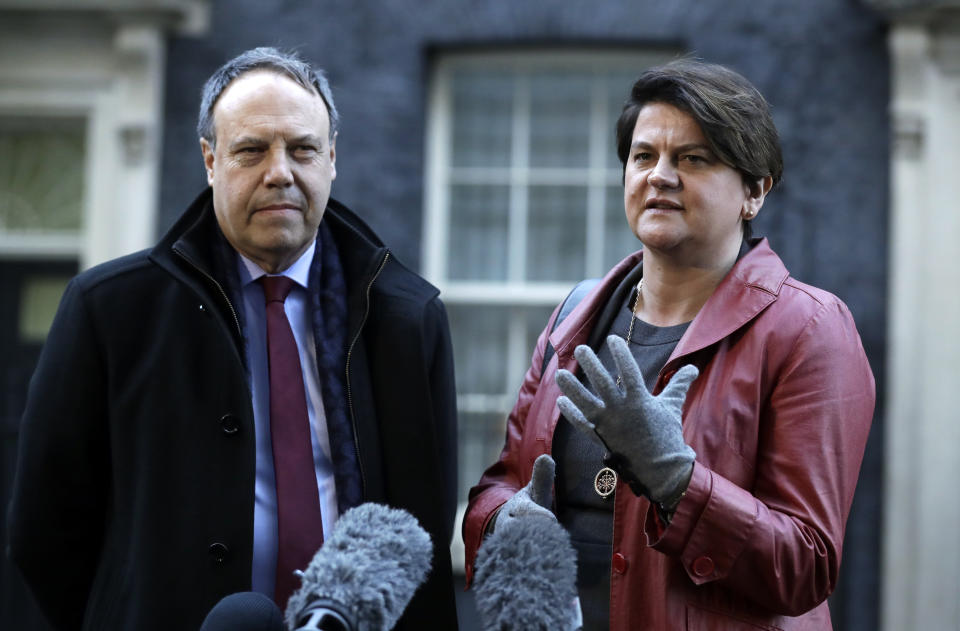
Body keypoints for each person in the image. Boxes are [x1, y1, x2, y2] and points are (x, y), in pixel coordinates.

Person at [7, 47, 458, 631]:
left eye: (303, 149)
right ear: (210, 160)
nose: (281, 172)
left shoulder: (407, 320)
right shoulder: (109, 312)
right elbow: (45, 529)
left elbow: (422, 527)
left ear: (332, 158)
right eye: (252, 150)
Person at [463, 59, 874, 630]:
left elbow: (806, 564)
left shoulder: (808, 328)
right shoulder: (576, 315)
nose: (659, 175)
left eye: (693, 158)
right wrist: (504, 520)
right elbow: (502, 480)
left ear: (754, 191)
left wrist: (676, 479)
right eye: (643, 156)